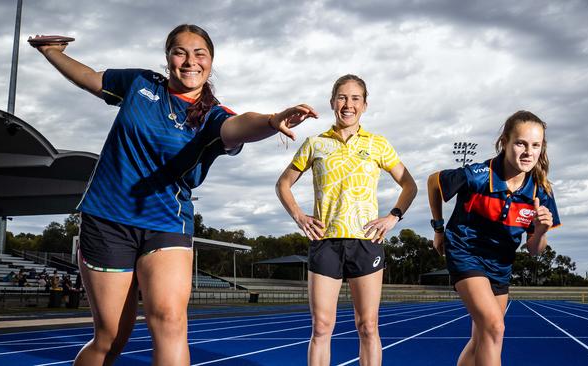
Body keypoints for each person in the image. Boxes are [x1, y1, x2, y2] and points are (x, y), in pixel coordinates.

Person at [31, 24, 317, 366]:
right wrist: (52, 52)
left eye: (200, 54)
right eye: (180, 52)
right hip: (108, 220)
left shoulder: (212, 116)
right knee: (110, 337)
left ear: (211, 61)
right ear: (168, 59)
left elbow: (239, 124)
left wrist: (272, 120)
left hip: (166, 222)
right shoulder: (140, 84)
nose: (190, 61)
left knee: (170, 320)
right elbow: (90, 77)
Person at [276, 74, 417, 365]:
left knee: (368, 327)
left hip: (366, 242)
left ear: (364, 105)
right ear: (332, 103)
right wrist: (299, 216)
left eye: (355, 98)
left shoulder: (378, 144)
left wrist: (393, 217)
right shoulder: (315, 143)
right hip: (325, 242)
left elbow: (409, 185)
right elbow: (283, 184)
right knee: (321, 328)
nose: (348, 104)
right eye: (342, 97)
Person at [426, 110, 560, 366]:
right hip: (466, 252)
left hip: (500, 264)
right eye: (521, 143)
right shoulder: (478, 175)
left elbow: (534, 250)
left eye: (536, 145)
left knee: (482, 338)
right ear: (505, 142)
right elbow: (434, 182)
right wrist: (439, 228)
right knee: (495, 328)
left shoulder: (541, 191)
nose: (528, 152)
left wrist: (541, 231)